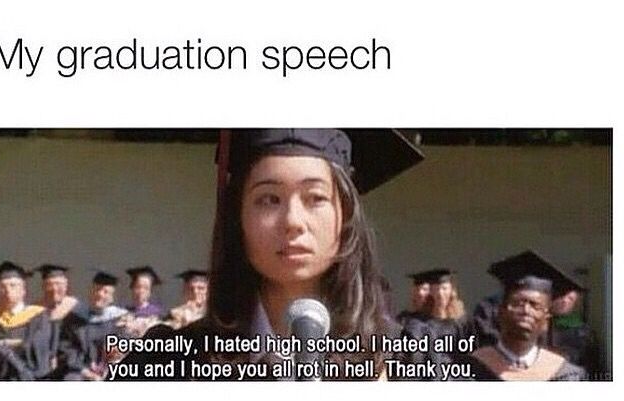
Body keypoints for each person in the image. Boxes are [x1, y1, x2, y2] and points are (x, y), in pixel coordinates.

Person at [115, 128, 424, 381]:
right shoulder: (171, 366)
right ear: (238, 220)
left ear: (345, 217)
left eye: (315, 198)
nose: (292, 221)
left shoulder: (409, 361)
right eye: (268, 199)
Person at [464, 251, 586, 380]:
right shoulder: (470, 369)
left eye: (535, 306)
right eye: (517, 303)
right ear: (500, 312)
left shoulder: (566, 375)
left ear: (546, 320)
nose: (526, 310)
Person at [59, 271, 129, 380]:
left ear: (112, 298)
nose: (100, 294)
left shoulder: (120, 320)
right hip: (80, 371)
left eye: (106, 292)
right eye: (97, 289)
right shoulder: (74, 318)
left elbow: (124, 350)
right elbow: (66, 349)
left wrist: (114, 359)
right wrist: (85, 372)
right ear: (90, 292)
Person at [0, 261, 52, 380]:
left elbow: (37, 347)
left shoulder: (39, 316)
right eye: (3, 287)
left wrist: (3, 344)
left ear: (23, 290)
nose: (8, 290)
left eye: (13, 285)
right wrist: (18, 343)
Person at [548, 266, 599, 377]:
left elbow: (589, 363)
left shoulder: (582, 330)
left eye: (570, 298)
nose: (565, 301)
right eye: (561, 296)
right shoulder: (535, 322)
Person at [35, 264, 79, 378]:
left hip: (71, 366)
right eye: (49, 284)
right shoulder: (34, 310)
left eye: (59, 284)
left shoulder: (77, 308)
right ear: (43, 287)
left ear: (66, 286)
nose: (54, 289)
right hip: (40, 366)